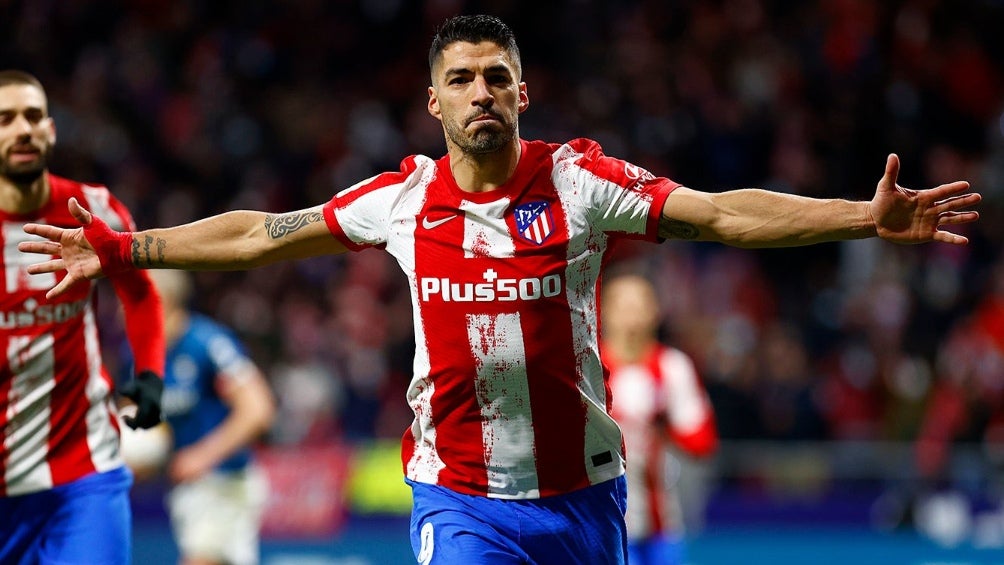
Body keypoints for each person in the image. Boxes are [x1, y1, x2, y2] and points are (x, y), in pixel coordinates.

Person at [18, 14, 981, 564]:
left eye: (497, 77)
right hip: (459, 497)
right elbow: (261, 236)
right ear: (432, 101)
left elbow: (724, 212)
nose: (481, 91)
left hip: (585, 497)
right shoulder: (400, 199)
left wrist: (863, 216)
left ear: (523, 94)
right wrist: (127, 248)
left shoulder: (579, 182)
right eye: (462, 78)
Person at [0, 69, 165, 564]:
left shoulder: (92, 209)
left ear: (50, 130)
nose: (22, 129)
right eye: (5, 119)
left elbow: (140, 295)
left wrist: (151, 372)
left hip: (83, 472)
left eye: (33, 116)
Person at [120, 269, 275, 565]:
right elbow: (138, 418)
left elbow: (258, 409)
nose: (120, 311)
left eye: (129, 301)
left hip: (224, 483)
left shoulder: (209, 344)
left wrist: (203, 456)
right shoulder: (137, 357)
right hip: (185, 491)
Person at [601, 273, 718, 565]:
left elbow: (702, 441)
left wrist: (662, 423)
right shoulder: (588, 367)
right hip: (602, 524)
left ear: (656, 311)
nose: (632, 317)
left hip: (661, 524)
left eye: (639, 306)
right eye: (623, 306)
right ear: (604, 311)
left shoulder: (673, 367)